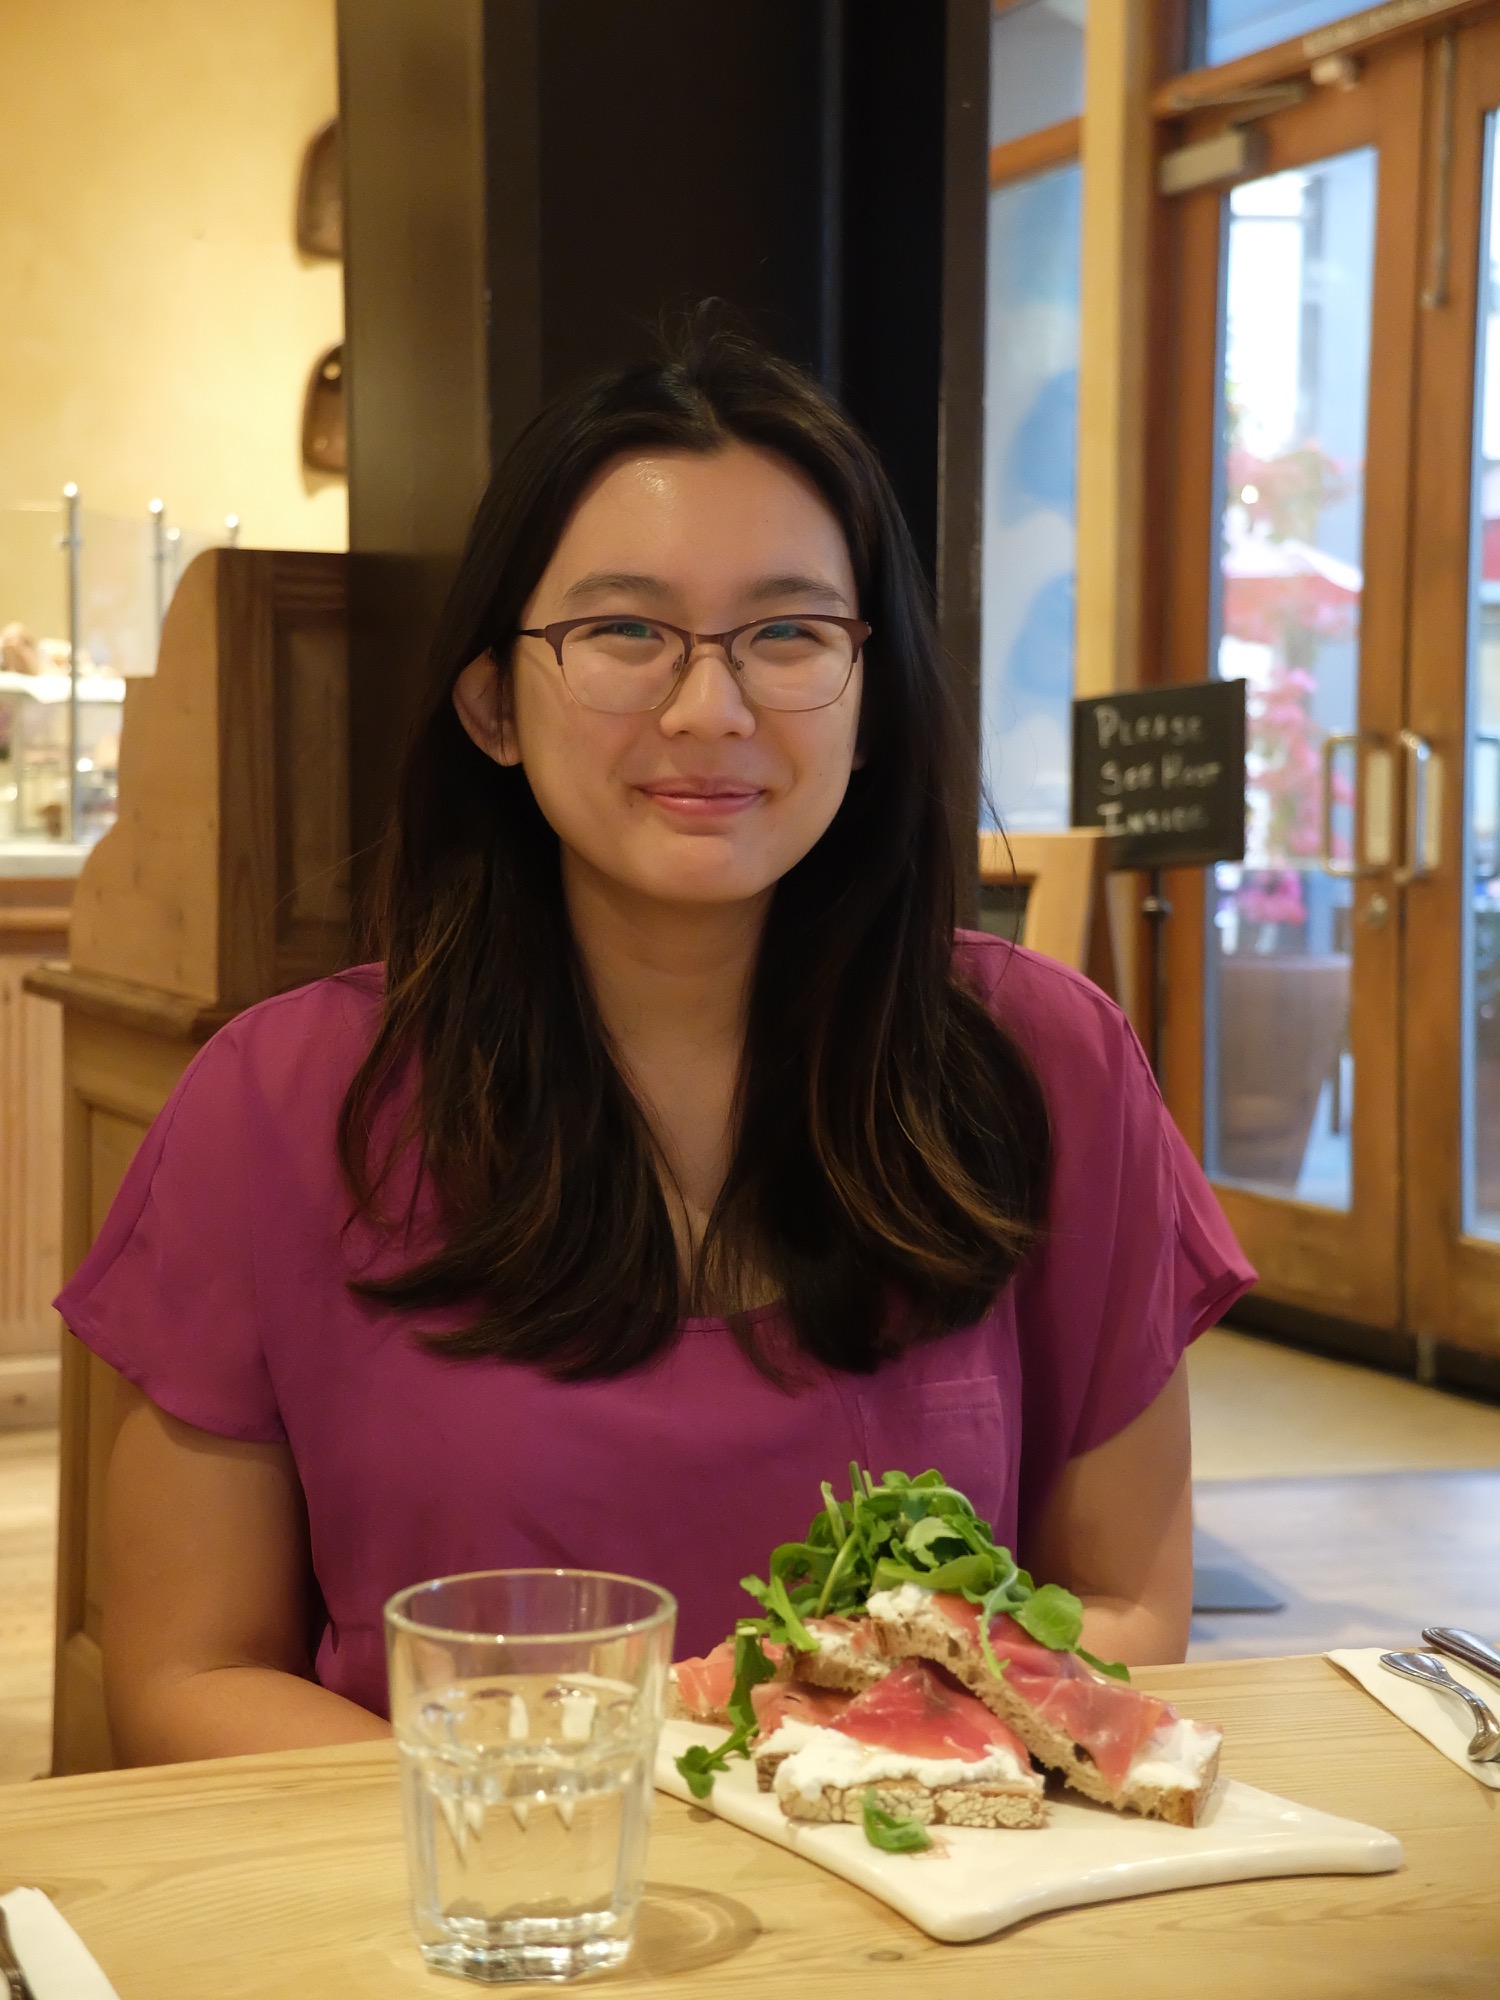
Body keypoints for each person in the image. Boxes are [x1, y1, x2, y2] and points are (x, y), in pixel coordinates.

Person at [61, 324, 1253, 1766]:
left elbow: (1122, 1606)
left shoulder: (1046, 1061)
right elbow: (186, 1673)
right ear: (494, 704)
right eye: (625, 633)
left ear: (872, 700)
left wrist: (802, 1798)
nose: (709, 708)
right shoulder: (284, 1102)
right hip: (474, 1887)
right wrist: (578, 1824)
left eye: (789, 634)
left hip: (918, 1888)